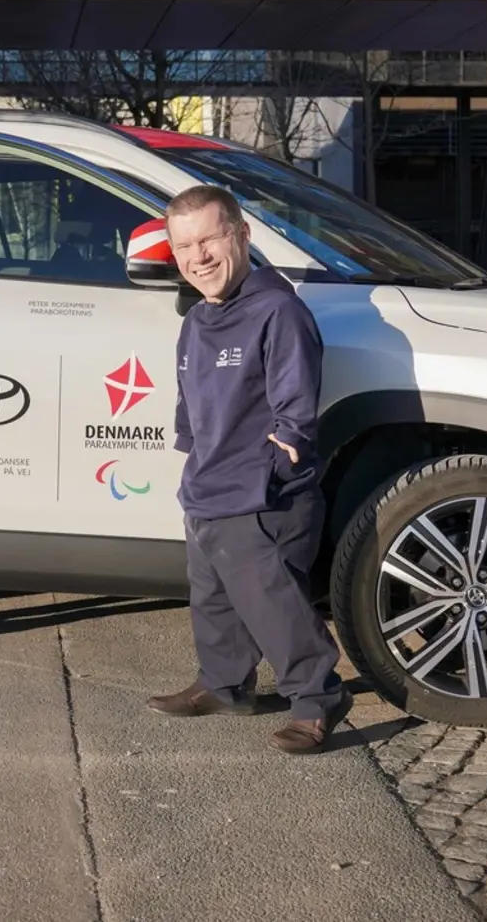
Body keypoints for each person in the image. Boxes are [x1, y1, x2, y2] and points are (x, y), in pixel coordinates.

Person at [148, 184, 352, 754]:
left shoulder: (278, 310)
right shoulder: (197, 319)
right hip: (209, 484)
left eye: (209, 239)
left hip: (263, 493)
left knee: (274, 605)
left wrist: (282, 453)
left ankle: (318, 699)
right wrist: (193, 452)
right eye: (184, 246)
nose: (198, 256)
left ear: (241, 234)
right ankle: (224, 684)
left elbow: (295, 402)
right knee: (213, 598)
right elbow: (190, 401)